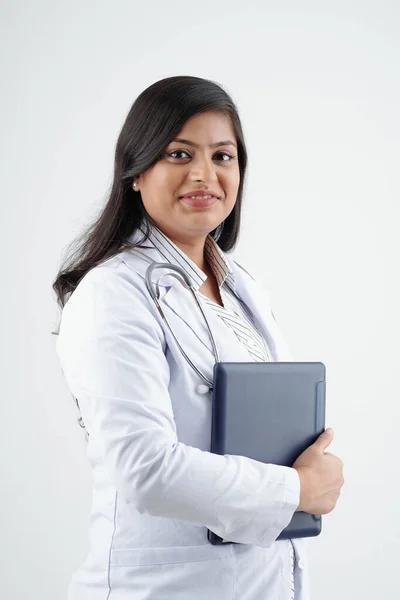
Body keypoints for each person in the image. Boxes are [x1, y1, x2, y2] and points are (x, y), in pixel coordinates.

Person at [53, 75, 344, 600]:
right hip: (164, 586)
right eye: (179, 154)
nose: (204, 174)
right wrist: (297, 490)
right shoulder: (112, 293)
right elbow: (145, 469)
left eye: (223, 156)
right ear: (136, 173)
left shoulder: (243, 287)